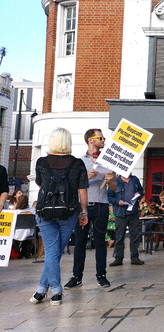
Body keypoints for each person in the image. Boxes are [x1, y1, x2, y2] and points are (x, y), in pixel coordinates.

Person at [30, 128, 89, 306]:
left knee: (51, 252)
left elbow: (41, 186)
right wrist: (84, 211)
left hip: (45, 211)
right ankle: (56, 291)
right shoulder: (77, 164)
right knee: (55, 253)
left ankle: (41, 290)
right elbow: (82, 191)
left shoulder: (41, 162)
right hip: (68, 212)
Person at [65, 128, 116, 290]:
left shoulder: (107, 161)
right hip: (83, 206)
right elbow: (71, 186)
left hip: (101, 204)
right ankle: (76, 276)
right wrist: (86, 177)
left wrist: (111, 179)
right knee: (80, 242)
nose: (103, 140)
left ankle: (101, 275)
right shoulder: (79, 162)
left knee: (101, 242)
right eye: (100, 138)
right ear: (90, 140)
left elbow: (114, 188)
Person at [108, 173, 145, 266]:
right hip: (120, 213)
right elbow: (109, 196)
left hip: (133, 212)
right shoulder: (115, 181)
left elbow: (141, 190)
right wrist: (117, 202)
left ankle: (135, 257)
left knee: (135, 236)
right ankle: (118, 258)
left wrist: (138, 194)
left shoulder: (135, 179)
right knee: (119, 236)